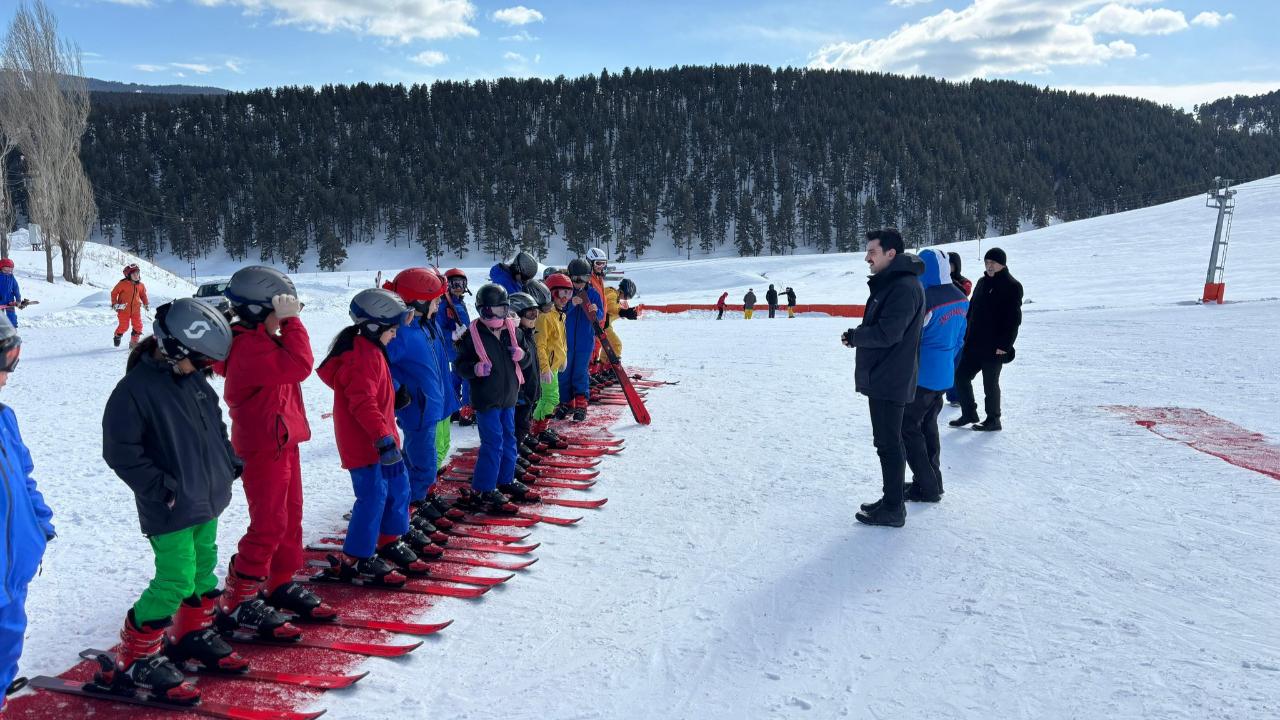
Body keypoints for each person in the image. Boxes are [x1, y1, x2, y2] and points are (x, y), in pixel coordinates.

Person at [100, 299, 245, 703]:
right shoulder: (133, 392)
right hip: (169, 506)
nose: (203, 369)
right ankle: (135, 657)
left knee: (203, 568)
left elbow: (215, 426)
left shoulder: (192, 381)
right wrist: (162, 489)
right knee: (175, 578)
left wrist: (228, 460)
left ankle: (191, 634)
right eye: (198, 361)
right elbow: (121, 452)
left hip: (205, 498)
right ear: (173, 348)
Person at [214, 267, 333, 639]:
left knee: (290, 516)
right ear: (257, 311)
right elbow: (300, 364)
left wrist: (284, 321)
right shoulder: (249, 347)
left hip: (282, 441)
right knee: (268, 524)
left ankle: (278, 581)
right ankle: (239, 597)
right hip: (263, 446)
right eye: (279, 311)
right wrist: (292, 322)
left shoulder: (262, 339)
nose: (284, 319)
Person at [315, 289, 419, 586]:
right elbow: (362, 402)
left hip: (384, 439)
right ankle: (357, 557)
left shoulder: (372, 350)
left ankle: (388, 540)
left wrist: (394, 392)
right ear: (374, 327)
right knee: (372, 498)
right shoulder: (360, 356)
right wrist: (383, 440)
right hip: (367, 444)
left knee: (398, 489)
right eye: (392, 330)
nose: (395, 335)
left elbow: (375, 387)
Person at [841, 228, 924, 529]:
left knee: (889, 444)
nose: (867, 258)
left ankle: (893, 508)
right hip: (887, 374)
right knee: (887, 442)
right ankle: (892, 499)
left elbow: (889, 333)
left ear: (891, 253)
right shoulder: (894, 283)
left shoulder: (902, 287)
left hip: (890, 377)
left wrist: (856, 336)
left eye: (872, 252)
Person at [0, 316, 54, 712]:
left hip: (15, 566)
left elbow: (23, 474)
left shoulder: (5, 417)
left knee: (9, 639)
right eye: (4, 364)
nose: (7, 377)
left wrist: (40, 523)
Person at [382, 269, 454, 559]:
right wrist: (397, 389)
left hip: (433, 405)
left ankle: (416, 503)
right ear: (419, 302)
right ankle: (411, 511)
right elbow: (380, 366)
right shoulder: (402, 333)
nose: (439, 305)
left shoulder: (426, 325)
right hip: (418, 409)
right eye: (435, 300)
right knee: (422, 464)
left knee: (419, 461)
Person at [900, 249, 968, 503]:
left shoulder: (925, 298)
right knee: (928, 426)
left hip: (922, 376)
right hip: (944, 373)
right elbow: (960, 338)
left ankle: (926, 486)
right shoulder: (960, 296)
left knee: (908, 428)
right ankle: (933, 480)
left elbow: (910, 339)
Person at [453, 284, 524, 514]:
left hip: (509, 397)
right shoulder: (471, 335)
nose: (500, 315)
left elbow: (527, 357)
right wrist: (475, 368)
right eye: (496, 310)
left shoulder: (512, 331)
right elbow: (460, 366)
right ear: (484, 310)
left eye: (504, 309)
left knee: (509, 439)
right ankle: (484, 488)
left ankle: (505, 479)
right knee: (493, 443)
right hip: (486, 400)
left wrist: (523, 355)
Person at [950, 247, 1023, 432]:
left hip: (995, 346)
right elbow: (971, 310)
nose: (989, 266)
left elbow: (1013, 319)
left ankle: (993, 419)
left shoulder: (1012, 286)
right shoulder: (982, 282)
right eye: (987, 262)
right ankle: (969, 413)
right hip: (974, 343)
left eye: (993, 263)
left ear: (1002, 264)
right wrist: (964, 334)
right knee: (960, 377)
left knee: (990, 384)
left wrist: (1005, 345)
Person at [508, 291, 545, 501]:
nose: (535, 318)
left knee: (522, 428)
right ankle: (509, 464)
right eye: (530, 314)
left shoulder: (528, 334)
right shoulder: (517, 336)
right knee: (517, 429)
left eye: (536, 313)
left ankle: (514, 457)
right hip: (520, 395)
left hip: (529, 393)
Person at [558, 259, 604, 422]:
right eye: (575, 279)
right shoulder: (565, 292)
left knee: (580, 372)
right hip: (565, 342)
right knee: (564, 373)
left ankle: (581, 404)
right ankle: (565, 402)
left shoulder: (593, 294)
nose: (579, 283)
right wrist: (571, 304)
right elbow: (558, 312)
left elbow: (600, 316)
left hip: (585, 342)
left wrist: (596, 311)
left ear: (588, 278)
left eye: (583, 279)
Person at [532, 274, 570, 445]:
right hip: (546, 366)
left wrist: (563, 358)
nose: (565, 298)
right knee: (551, 399)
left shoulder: (560, 315)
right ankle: (539, 429)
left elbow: (560, 341)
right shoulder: (544, 316)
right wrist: (544, 368)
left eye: (569, 294)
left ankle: (539, 428)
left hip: (553, 364)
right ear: (552, 293)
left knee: (547, 398)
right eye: (562, 293)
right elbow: (539, 345)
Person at [438, 268, 473, 426]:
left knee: (457, 375)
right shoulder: (443, 305)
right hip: (454, 347)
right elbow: (438, 327)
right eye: (454, 284)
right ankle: (466, 411)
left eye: (461, 283)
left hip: (463, 345)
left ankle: (453, 409)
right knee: (467, 376)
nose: (458, 287)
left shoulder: (458, 302)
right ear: (447, 286)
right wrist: (452, 334)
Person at [944, 252, 972, 406]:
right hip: (944, 324)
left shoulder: (963, 281)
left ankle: (954, 395)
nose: (948, 267)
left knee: (956, 363)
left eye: (951, 264)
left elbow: (965, 290)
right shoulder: (940, 280)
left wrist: (950, 282)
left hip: (959, 326)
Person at [111, 263, 150, 348]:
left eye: (137, 273)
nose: (136, 276)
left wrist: (146, 303)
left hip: (136, 310)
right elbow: (114, 293)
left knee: (138, 326)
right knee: (124, 326)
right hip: (123, 309)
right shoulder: (122, 284)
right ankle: (117, 335)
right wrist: (114, 303)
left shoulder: (141, 285)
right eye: (133, 274)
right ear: (128, 275)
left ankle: (133, 343)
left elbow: (143, 295)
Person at [603, 278, 638, 360]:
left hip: (604, 325)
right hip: (601, 324)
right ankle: (609, 363)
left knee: (609, 345)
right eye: (627, 297)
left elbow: (614, 311)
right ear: (623, 291)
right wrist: (623, 312)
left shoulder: (616, 297)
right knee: (616, 344)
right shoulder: (612, 293)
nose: (626, 299)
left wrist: (626, 313)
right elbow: (610, 308)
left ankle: (604, 362)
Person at [0, 259, 25, 327]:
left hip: (10, 301)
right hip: (0, 301)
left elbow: (16, 289)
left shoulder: (11, 277)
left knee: (12, 316)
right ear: (1, 268)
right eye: (5, 270)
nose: (8, 272)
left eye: (10, 271)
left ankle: (13, 328)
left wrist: (18, 300)